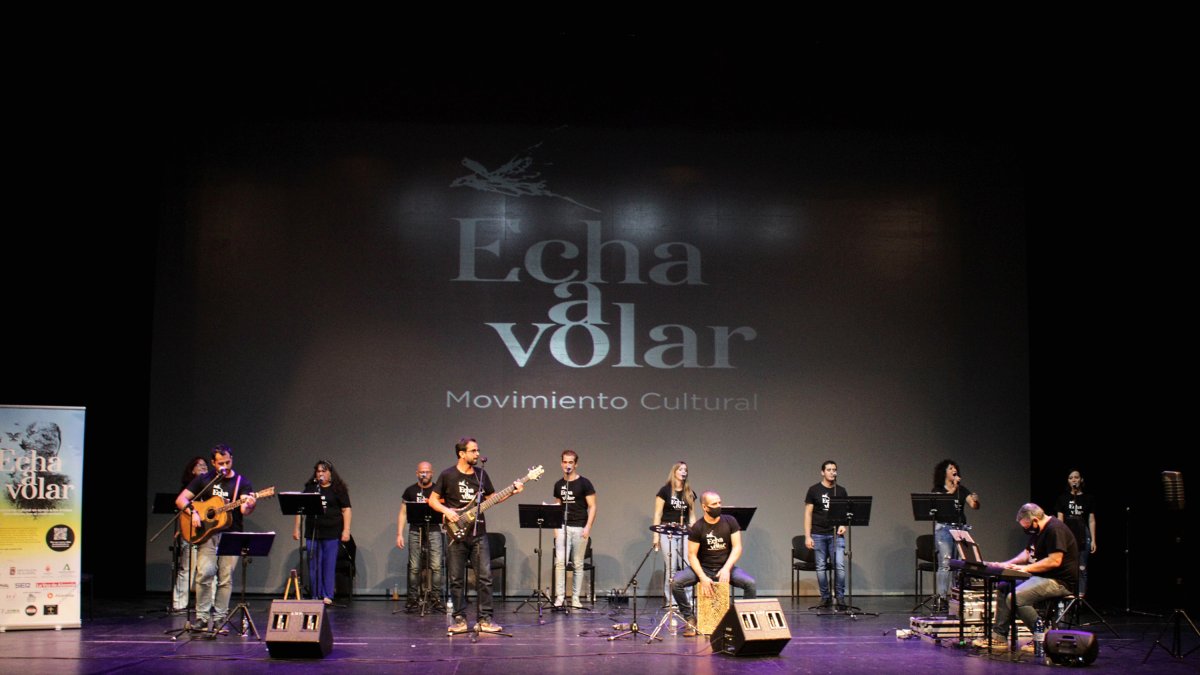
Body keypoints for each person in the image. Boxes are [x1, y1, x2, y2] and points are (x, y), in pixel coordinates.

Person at [429, 437, 523, 635]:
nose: (477, 454)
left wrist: (514, 491)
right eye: (473, 451)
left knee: (485, 578)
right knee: (456, 579)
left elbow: (493, 499)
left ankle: (485, 619)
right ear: (462, 453)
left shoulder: (481, 475)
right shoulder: (447, 475)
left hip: (479, 533)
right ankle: (460, 619)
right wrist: (447, 512)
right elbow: (433, 500)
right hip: (456, 533)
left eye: (478, 450)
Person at [973, 503, 1078, 651]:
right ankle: (999, 637)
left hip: (1060, 582)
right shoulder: (1039, 531)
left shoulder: (1055, 529)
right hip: (1043, 578)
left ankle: (1042, 638)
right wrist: (1006, 564)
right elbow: (1028, 553)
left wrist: (1026, 568)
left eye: (1027, 526)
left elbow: (1055, 561)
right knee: (1004, 586)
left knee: (1017, 597)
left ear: (1035, 520)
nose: (1026, 530)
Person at [175, 444, 258, 631]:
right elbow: (181, 499)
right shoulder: (204, 480)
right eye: (221, 463)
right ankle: (202, 618)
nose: (225, 466)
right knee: (204, 573)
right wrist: (194, 512)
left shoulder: (241, 482)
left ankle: (220, 618)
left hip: (232, 533)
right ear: (213, 462)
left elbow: (244, 510)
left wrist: (251, 504)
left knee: (225, 578)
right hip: (208, 534)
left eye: (228, 462)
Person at [670, 491, 757, 637]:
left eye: (719, 502)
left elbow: (737, 547)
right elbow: (692, 555)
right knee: (675, 583)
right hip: (703, 568)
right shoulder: (697, 527)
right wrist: (702, 577)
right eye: (714, 504)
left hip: (725, 567)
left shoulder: (730, 521)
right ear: (705, 507)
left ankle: (743, 620)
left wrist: (726, 569)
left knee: (750, 584)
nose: (719, 506)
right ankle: (690, 618)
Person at [292, 459, 352, 605]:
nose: (321, 474)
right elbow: (300, 509)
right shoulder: (311, 488)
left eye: (323, 471)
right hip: (313, 531)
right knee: (314, 564)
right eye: (318, 471)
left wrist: (346, 530)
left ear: (330, 473)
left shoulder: (338, 489)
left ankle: (327, 595)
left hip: (332, 531)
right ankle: (315, 594)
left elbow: (346, 509)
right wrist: (296, 528)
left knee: (328, 564)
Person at [931, 459, 980, 610]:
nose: (954, 470)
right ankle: (942, 598)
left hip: (960, 528)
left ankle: (957, 597)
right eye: (950, 468)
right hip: (944, 529)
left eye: (955, 468)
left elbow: (973, 506)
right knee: (945, 564)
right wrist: (954, 488)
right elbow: (944, 502)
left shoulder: (961, 489)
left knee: (960, 564)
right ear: (944, 472)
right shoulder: (937, 490)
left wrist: (976, 500)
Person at [552, 449, 597, 609]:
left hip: (579, 527)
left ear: (576, 464)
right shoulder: (559, 484)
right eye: (565, 462)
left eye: (571, 462)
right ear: (561, 463)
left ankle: (576, 598)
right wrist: (555, 528)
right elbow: (558, 505)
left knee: (577, 563)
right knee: (560, 563)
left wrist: (588, 527)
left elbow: (592, 506)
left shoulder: (584, 483)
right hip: (563, 526)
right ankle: (560, 597)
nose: (567, 465)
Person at [397, 461, 443, 612]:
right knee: (415, 566)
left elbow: (445, 510)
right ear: (417, 473)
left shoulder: (437, 490)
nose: (424, 474)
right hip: (415, 529)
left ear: (432, 473)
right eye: (422, 472)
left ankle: (435, 598)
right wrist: (399, 534)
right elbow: (403, 513)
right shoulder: (410, 490)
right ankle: (412, 599)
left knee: (436, 565)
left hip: (434, 529)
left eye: (427, 471)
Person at [804, 460, 848, 609]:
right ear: (822, 472)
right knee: (821, 567)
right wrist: (808, 536)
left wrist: (843, 524)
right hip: (818, 533)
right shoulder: (814, 490)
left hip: (836, 535)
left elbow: (845, 513)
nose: (832, 472)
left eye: (834, 470)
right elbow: (808, 514)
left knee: (840, 566)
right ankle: (825, 597)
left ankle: (840, 597)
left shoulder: (840, 491)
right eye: (828, 470)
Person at [652, 461, 696, 605]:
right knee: (671, 567)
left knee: (687, 566)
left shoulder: (689, 492)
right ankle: (672, 601)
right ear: (674, 472)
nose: (684, 472)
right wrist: (656, 535)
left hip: (685, 532)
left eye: (685, 470)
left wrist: (695, 535)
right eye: (680, 469)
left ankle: (687, 600)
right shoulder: (664, 491)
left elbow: (692, 516)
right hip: (668, 532)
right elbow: (658, 514)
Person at [173, 456, 209, 613]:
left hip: (208, 532)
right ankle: (179, 603)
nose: (203, 467)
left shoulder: (211, 487)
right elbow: (182, 509)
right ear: (192, 470)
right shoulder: (189, 488)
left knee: (208, 569)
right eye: (199, 465)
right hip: (191, 531)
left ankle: (208, 604)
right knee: (187, 567)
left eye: (205, 465)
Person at [1056, 469, 1096, 597]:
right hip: (1068, 533)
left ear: (1081, 480)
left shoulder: (1088, 498)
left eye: (1076, 477)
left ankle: (1080, 598)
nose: (1074, 480)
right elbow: (1059, 520)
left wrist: (1094, 539)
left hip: (1083, 534)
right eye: (1071, 477)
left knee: (1082, 567)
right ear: (1068, 481)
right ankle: (1068, 595)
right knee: (1067, 566)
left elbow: (1091, 520)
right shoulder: (1063, 498)